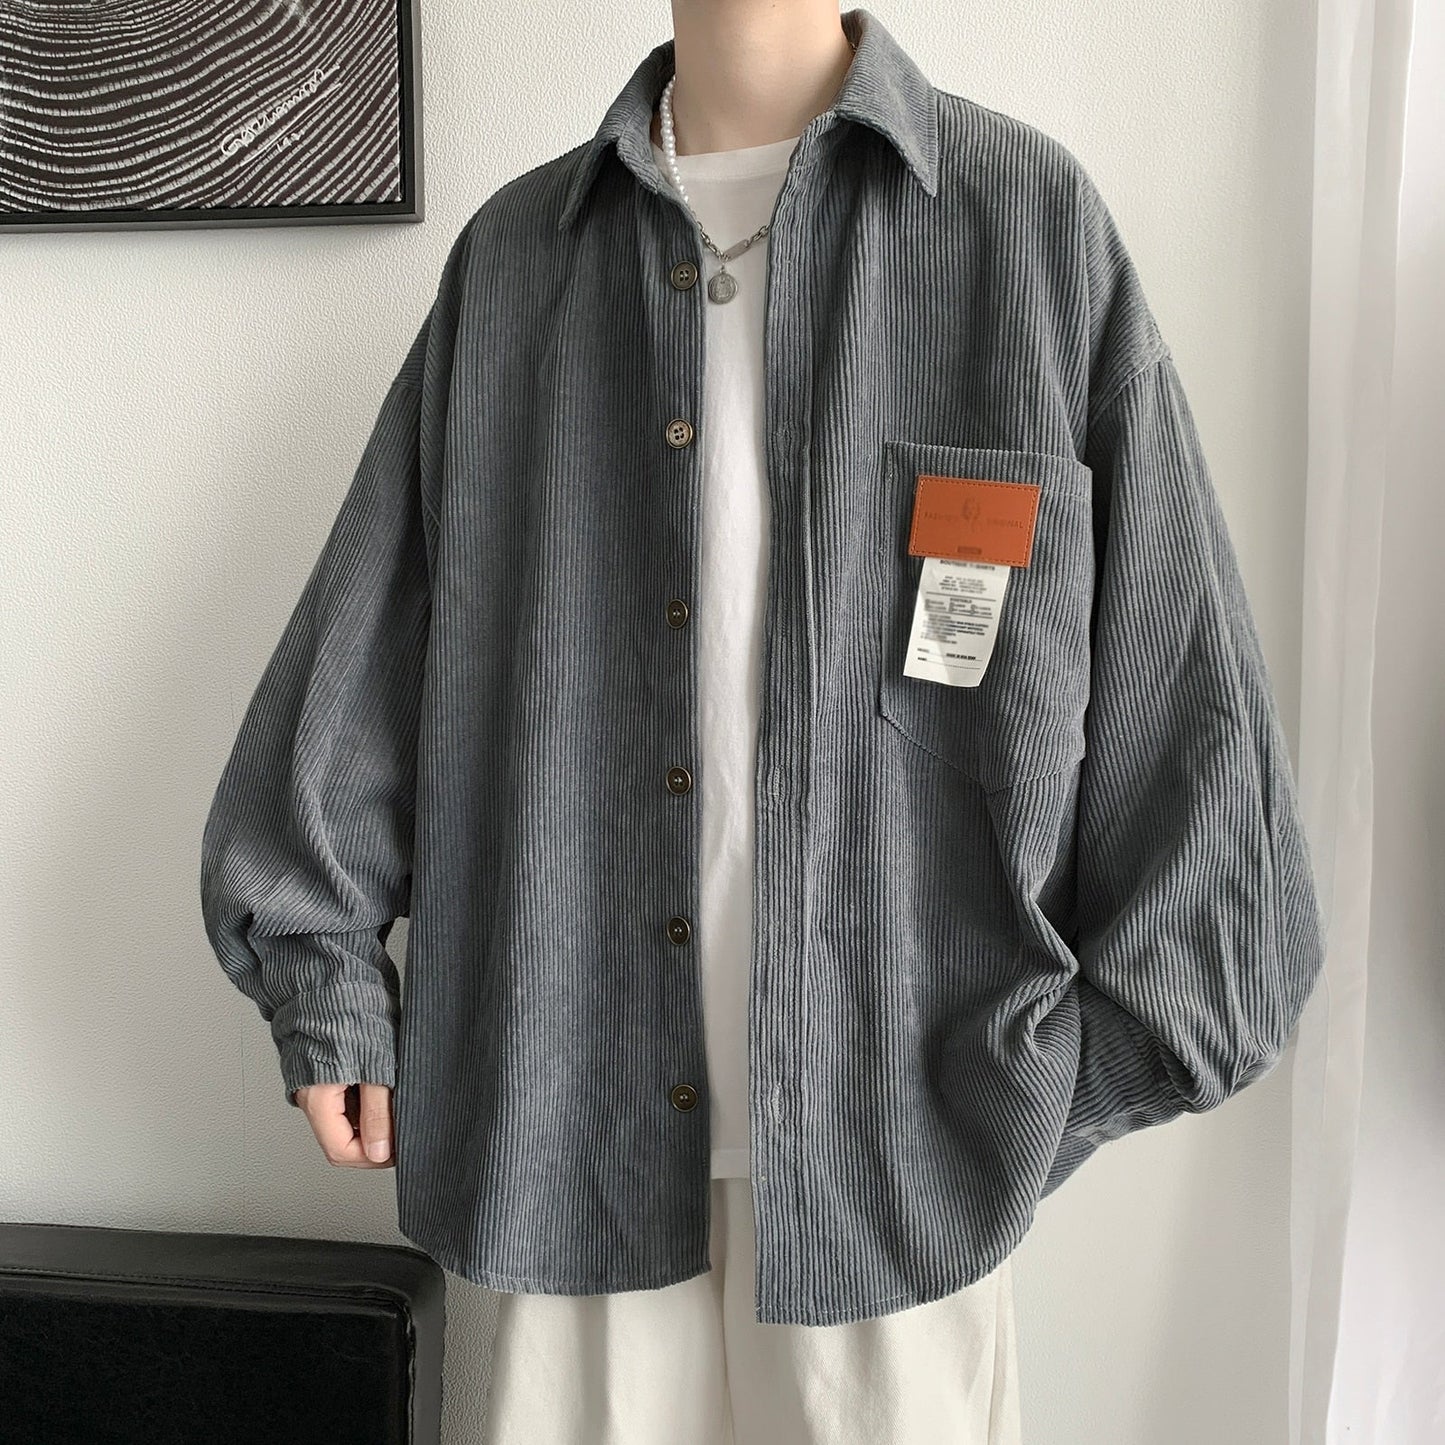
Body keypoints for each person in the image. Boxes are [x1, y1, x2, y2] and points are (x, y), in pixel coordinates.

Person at [199, 4, 1326, 1441]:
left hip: (899, 1182)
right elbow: (366, 652)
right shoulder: (518, 262)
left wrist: (1032, 1099)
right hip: (566, 1140)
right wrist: (327, 981)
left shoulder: (1025, 229)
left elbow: (1197, 736)